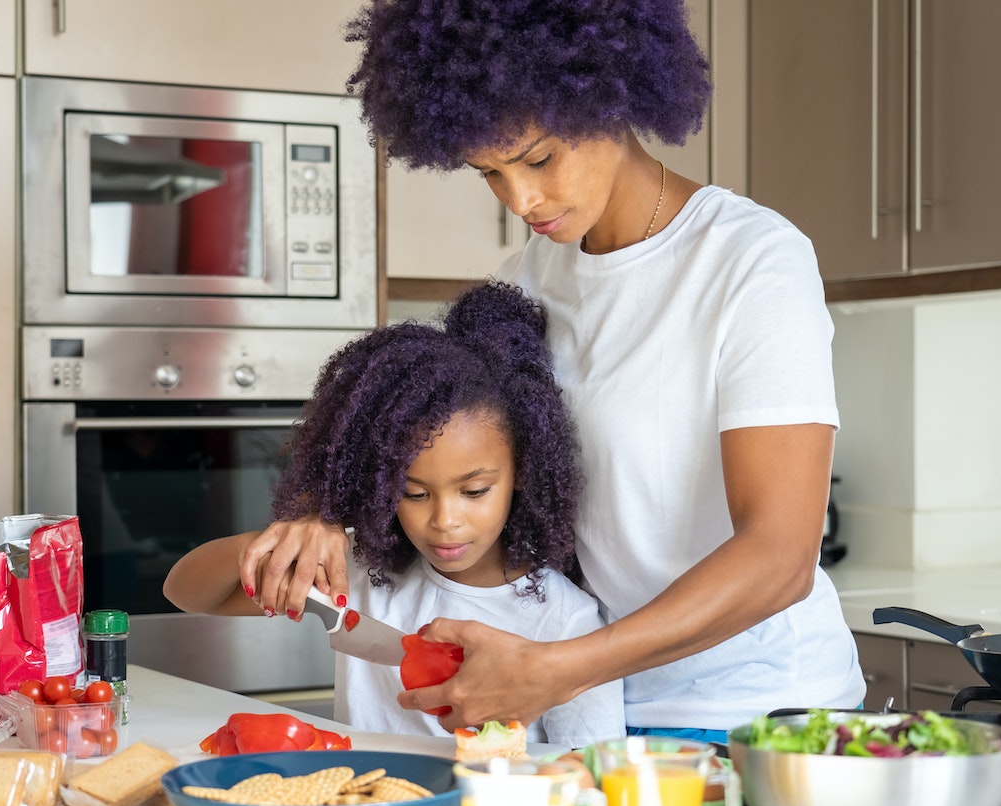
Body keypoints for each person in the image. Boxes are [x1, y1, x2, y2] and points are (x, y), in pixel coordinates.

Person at [232, 0, 867, 742]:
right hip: (598, 704)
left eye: (538, 158)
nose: (520, 200)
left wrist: (561, 665)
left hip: (753, 711)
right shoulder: (528, 279)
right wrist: (317, 505)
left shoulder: (750, 260)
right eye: (489, 174)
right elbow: (421, 421)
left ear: (611, 94)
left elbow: (779, 556)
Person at [163, 281, 626, 748]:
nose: (445, 520)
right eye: (414, 493)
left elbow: (591, 767)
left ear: (523, 472)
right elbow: (188, 594)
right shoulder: (361, 577)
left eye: (475, 490)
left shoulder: (567, 623)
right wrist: (259, 547)